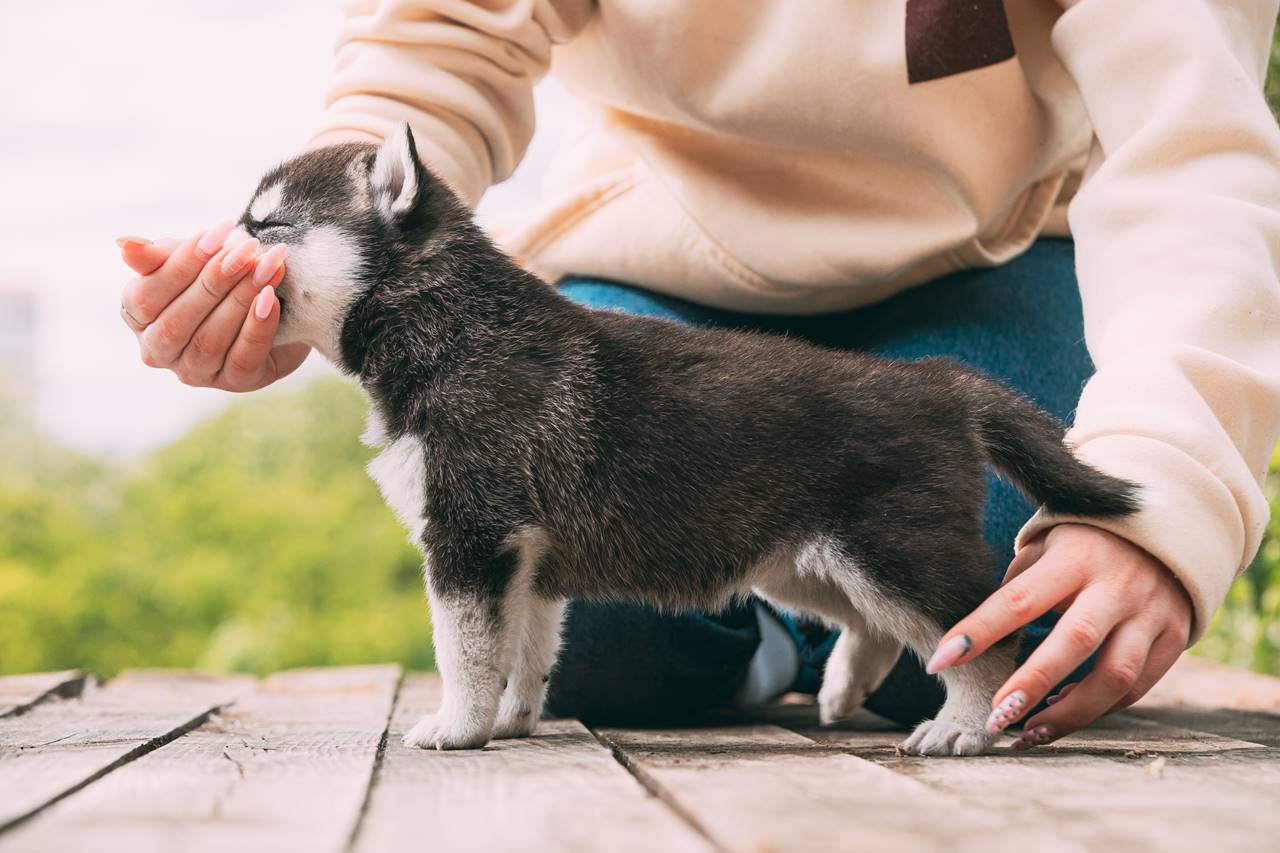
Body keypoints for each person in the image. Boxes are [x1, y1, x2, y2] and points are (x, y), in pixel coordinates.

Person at [117, 1, 1280, 750]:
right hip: (666, 261)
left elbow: (1193, 151)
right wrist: (301, 274)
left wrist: (1163, 483)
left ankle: (824, 618)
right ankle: (788, 621)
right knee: (614, 641)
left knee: (994, 594)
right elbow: (443, 41)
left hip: (998, 257)